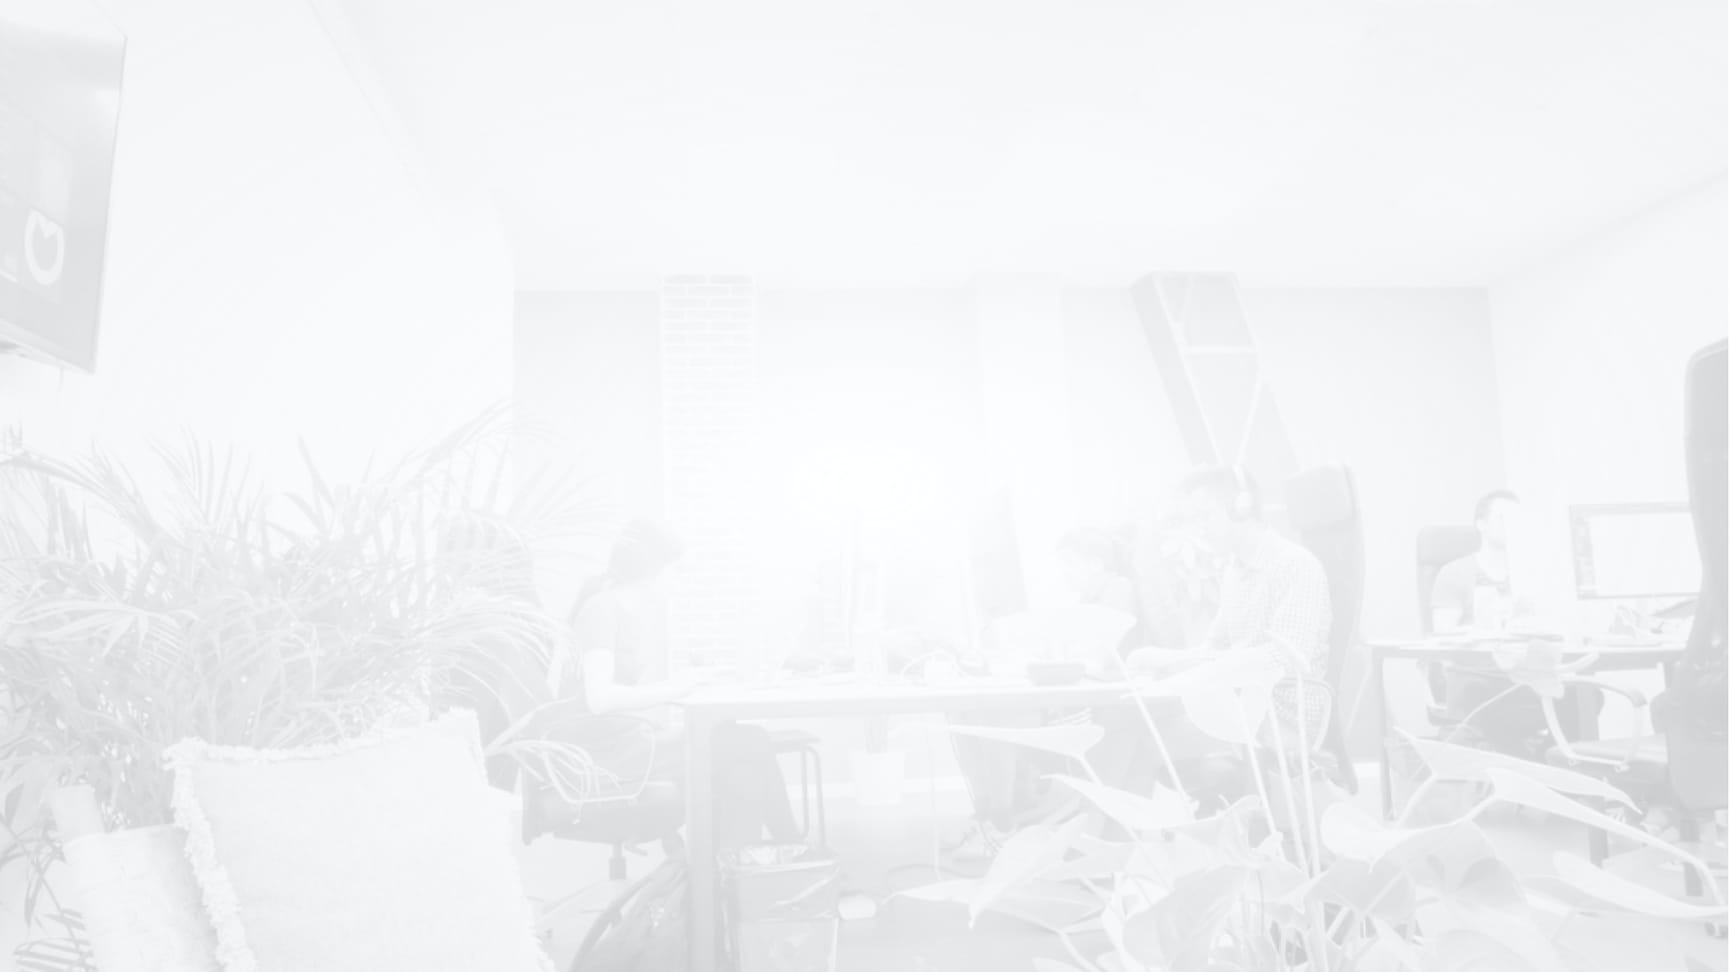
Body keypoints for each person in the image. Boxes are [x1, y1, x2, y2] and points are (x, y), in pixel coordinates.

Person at [539, 520, 802, 849]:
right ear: (652, 570)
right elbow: (600, 699)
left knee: (743, 769)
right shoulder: (602, 610)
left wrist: (680, 685)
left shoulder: (618, 611)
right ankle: (793, 848)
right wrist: (675, 689)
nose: (680, 580)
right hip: (602, 757)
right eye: (677, 570)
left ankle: (735, 868)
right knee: (751, 741)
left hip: (621, 745)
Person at [1430, 490, 1521, 632]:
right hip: (1477, 646)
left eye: (1515, 519)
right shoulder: (1454, 573)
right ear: (1481, 524)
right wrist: (1487, 626)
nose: (1510, 524)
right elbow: (1443, 634)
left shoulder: (1529, 572)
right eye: (1502, 518)